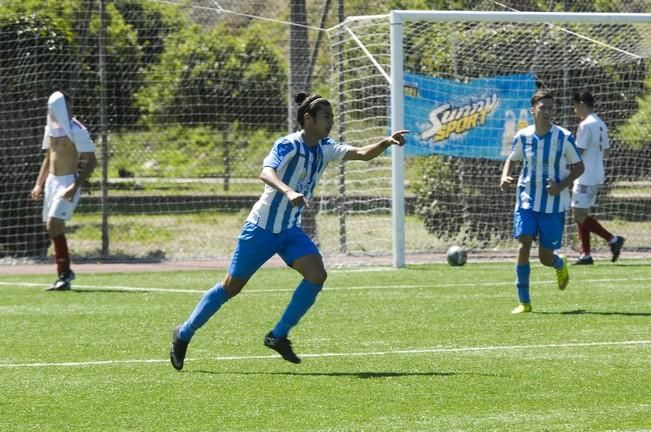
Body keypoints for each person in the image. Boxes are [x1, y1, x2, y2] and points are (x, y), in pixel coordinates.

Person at [169, 92, 409, 369]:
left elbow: (362, 154)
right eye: (326, 117)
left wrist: (386, 142)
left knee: (317, 274)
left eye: (332, 117)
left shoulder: (325, 147)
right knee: (231, 287)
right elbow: (266, 172)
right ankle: (184, 333)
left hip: (289, 231)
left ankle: (278, 335)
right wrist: (288, 190)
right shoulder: (288, 144)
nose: (331, 122)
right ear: (308, 119)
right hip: (260, 229)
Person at [500, 89, 584, 314]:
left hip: (553, 205)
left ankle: (559, 263)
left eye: (550, 108)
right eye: (542, 108)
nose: (547, 112)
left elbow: (579, 167)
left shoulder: (564, 137)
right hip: (526, 199)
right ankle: (524, 301)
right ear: (533, 110)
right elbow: (512, 159)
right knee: (523, 244)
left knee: (545, 257)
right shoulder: (523, 136)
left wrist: (560, 186)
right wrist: (505, 176)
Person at [31, 91, 97, 291]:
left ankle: (65, 272)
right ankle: (64, 274)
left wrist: (74, 186)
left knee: (54, 223)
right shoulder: (50, 129)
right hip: (51, 182)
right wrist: (39, 184)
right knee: (53, 228)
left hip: (68, 182)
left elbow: (92, 161)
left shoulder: (77, 130)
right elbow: (48, 157)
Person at [570, 89, 624, 265]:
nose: (574, 111)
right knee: (582, 213)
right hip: (596, 174)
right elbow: (606, 152)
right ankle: (585, 255)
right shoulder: (601, 123)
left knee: (578, 215)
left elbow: (578, 152)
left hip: (585, 175)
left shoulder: (586, 125)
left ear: (581, 105)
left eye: (575, 107)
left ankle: (613, 240)